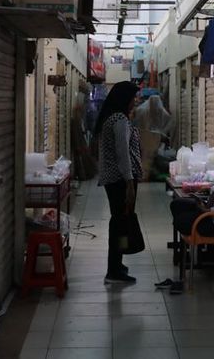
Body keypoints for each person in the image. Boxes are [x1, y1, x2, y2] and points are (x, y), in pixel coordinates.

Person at [94, 81, 143, 284]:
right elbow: (123, 155)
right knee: (120, 223)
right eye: (134, 97)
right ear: (125, 99)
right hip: (120, 180)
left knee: (119, 222)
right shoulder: (120, 120)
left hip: (114, 179)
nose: (136, 101)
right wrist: (130, 183)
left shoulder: (110, 118)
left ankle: (117, 264)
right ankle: (114, 270)